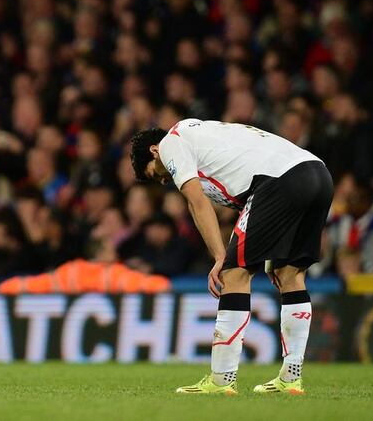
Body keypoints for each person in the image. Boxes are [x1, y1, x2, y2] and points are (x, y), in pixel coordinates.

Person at [130, 118, 333, 395]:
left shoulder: (170, 144)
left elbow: (197, 203)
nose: (164, 180)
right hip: (317, 174)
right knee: (290, 274)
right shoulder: (201, 136)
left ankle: (222, 380)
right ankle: (291, 378)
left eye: (155, 174)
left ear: (154, 151)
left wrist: (219, 258)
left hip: (278, 181)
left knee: (233, 273)